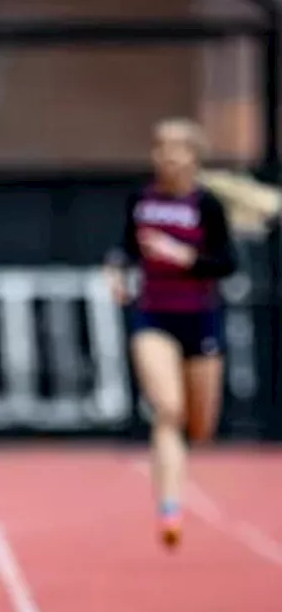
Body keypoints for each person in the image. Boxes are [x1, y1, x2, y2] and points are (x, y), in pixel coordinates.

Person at [105, 118, 237, 550]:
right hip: (153, 317)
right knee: (167, 410)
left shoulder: (207, 204)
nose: (165, 156)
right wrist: (117, 272)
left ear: (194, 157)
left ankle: (178, 476)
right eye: (159, 147)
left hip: (199, 318)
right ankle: (169, 507)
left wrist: (184, 256)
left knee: (199, 427)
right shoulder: (141, 200)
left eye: (176, 148)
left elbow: (226, 262)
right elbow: (125, 247)